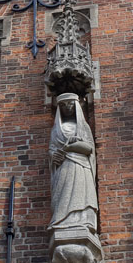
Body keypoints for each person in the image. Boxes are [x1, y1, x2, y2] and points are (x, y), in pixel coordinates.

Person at [49, 93, 98, 232]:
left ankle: (84, 222)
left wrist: (71, 146)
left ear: (77, 105)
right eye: (63, 105)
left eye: (70, 103)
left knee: (82, 194)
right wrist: (54, 155)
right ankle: (62, 222)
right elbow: (52, 150)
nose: (67, 107)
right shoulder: (56, 130)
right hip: (64, 166)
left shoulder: (83, 127)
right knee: (63, 196)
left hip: (81, 166)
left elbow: (89, 148)